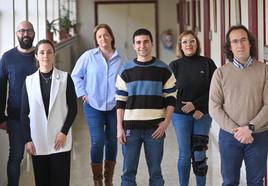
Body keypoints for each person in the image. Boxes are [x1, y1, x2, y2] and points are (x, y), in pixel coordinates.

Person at [116, 28, 177, 186]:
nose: (142, 45)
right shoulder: (125, 70)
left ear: (152, 44)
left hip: (155, 129)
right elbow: (120, 101)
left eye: (145, 42)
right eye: (138, 43)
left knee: (156, 172)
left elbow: (171, 98)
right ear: (134, 46)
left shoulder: (164, 69)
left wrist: (166, 123)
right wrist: (119, 127)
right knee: (128, 173)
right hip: (130, 129)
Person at [209, 25, 268, 186]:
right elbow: (214, 107)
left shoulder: (264, 71)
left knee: (256, 182)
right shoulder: (220, 73)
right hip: (229, 137)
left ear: (250, 43)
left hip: (259, 135)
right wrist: (237, 131)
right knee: (229, 181)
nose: (240, 45)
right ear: (230, 47)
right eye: (235, 41)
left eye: (243, 40)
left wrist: (250, 128)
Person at [71, 23, 123, 186]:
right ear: (96, 40)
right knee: (97, 140)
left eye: (106, 35)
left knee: (112, 141)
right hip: (93, 106)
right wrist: (82, 93)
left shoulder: (120, 59)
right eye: (99, 36)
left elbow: (125, 82)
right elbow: (75, 75)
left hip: (114, 106)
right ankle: (97, 180)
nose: (103, 38)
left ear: (111, 36)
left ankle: (108, 179)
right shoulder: (88, 56)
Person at [21, 39, 77, 186]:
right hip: (37, 140)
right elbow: (24, 113)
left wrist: (64, 132)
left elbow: (73, 108)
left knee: (61, 181)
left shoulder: (65, 78)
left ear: (54, 54)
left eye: (49, 52)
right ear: (36, 56)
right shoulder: (29, 81)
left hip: (60, 140)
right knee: (42, 181)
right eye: (42, 52)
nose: (45, 55)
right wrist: (27, 139)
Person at [169, 30, 217, 186]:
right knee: (185, 154)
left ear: (197, 44)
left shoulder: (207, 63)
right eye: (185, 42)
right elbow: (169, 95)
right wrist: (186, 107)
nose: (188, 45)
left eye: (192, 41)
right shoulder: (174, 66)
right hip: (180, 114)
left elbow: (215, 90)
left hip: (203, 113)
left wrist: (197, 106)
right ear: (180, 46)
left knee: (199, 152)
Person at [0, 21, 37, 186]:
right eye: (22, 31)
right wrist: (1, 117)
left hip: (40, 115)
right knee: (15, 156)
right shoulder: (7, 57)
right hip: (15, 117)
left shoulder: (40, 54)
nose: (26, 34)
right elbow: (1, 88)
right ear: (17, 34)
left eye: (29, 30)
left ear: (34, 33)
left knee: (42, 156)